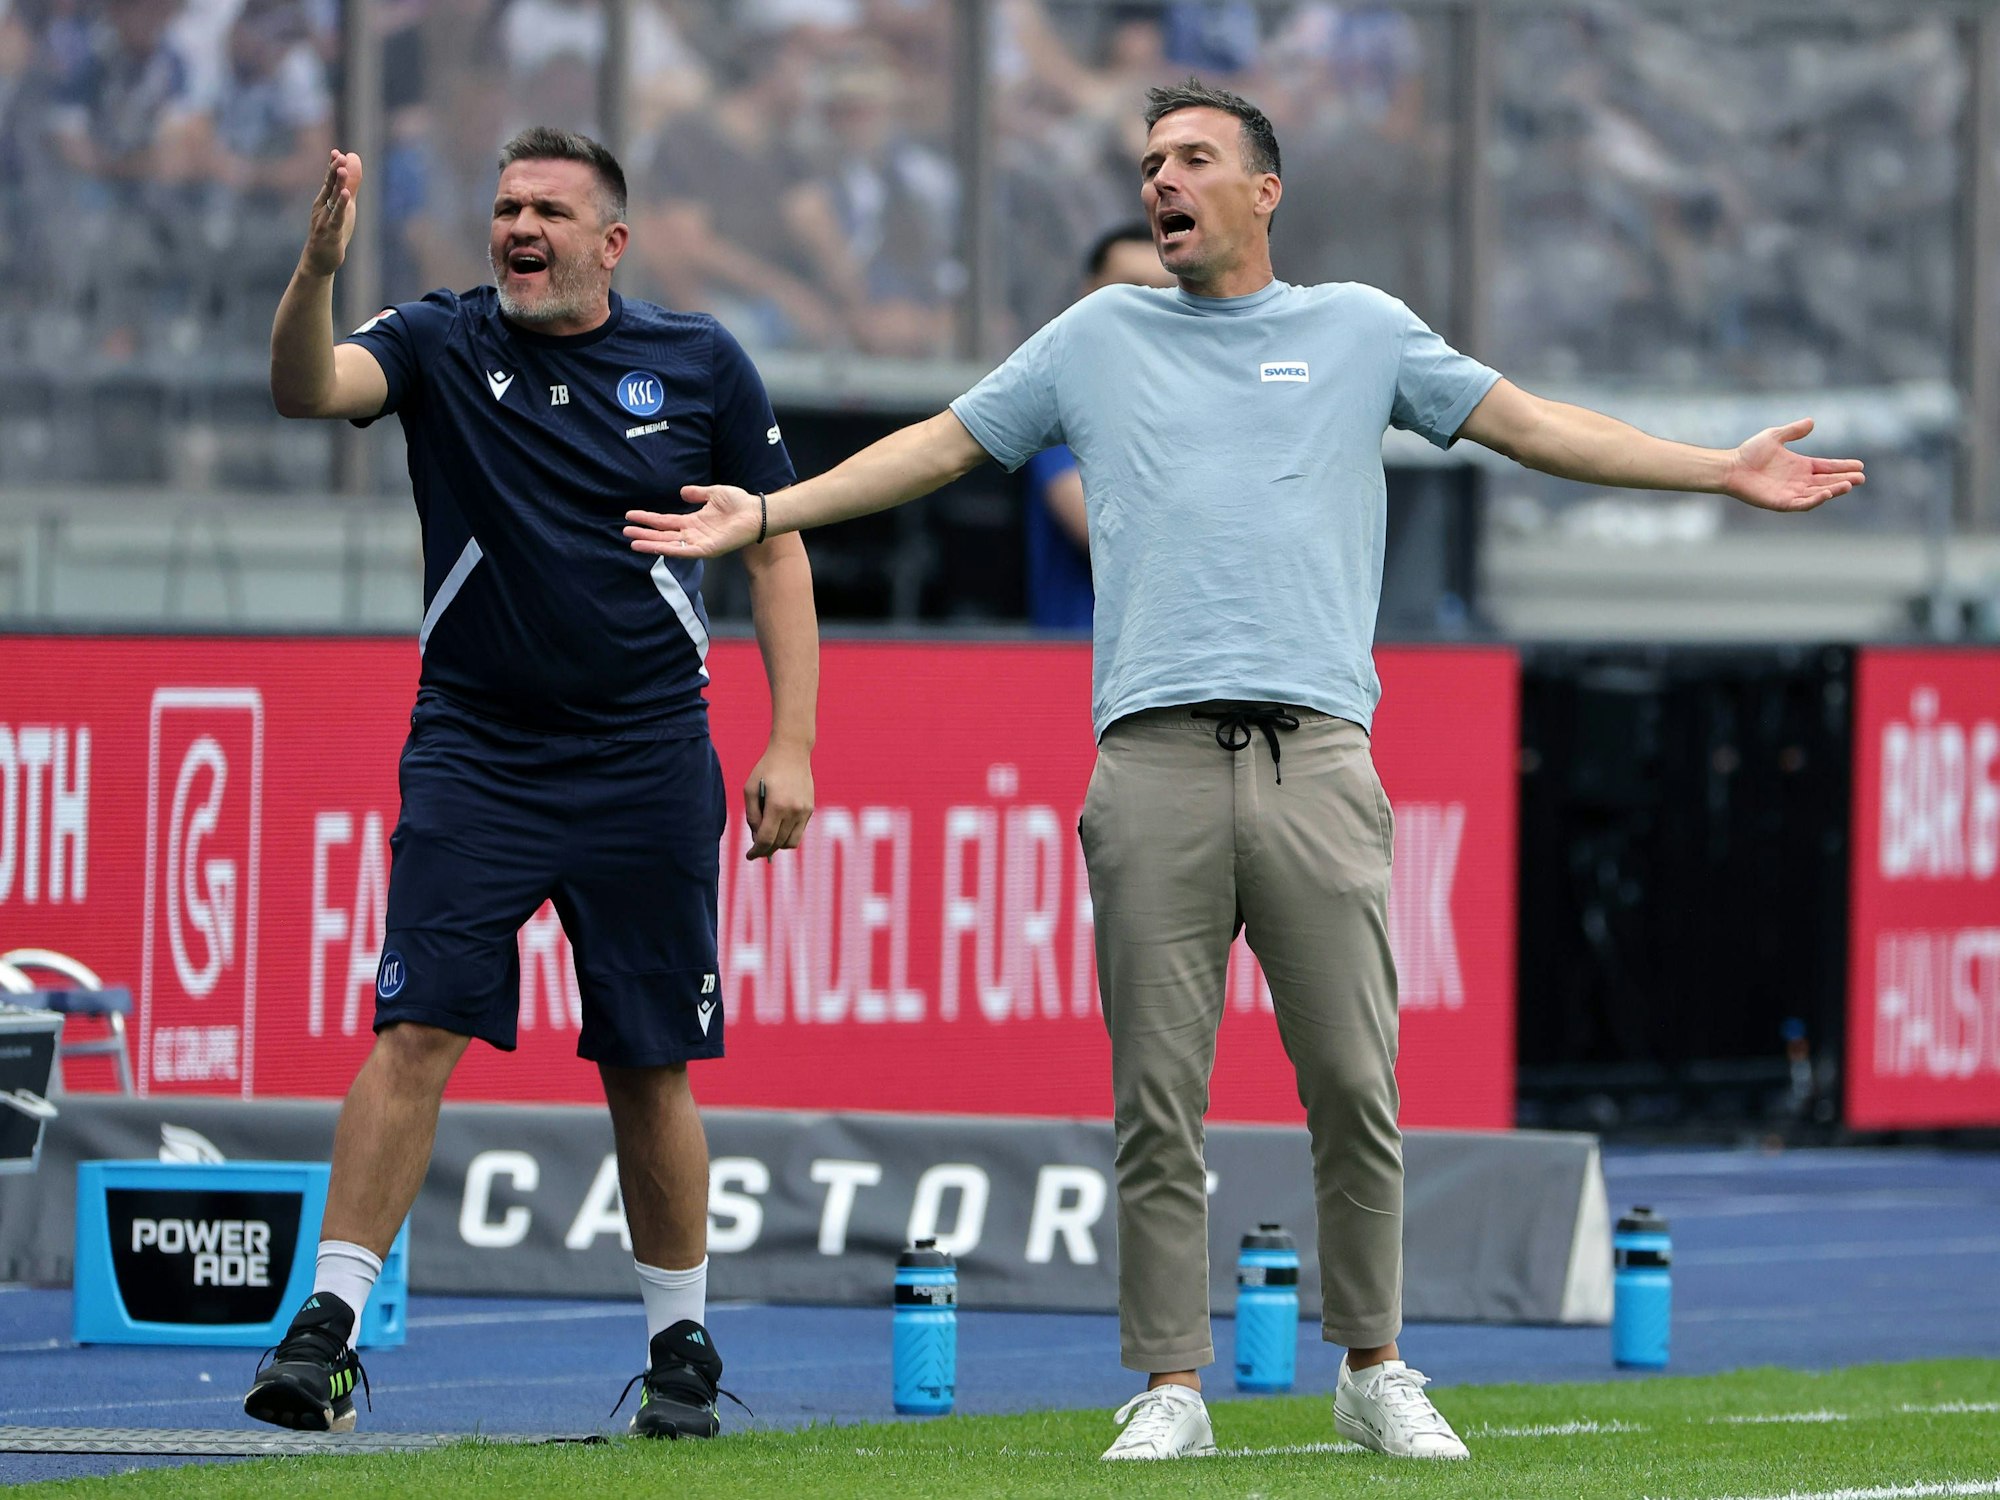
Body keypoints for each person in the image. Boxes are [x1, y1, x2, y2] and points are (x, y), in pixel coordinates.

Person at [625, 77, 1861, 1463]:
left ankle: (1373, 1367)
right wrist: (771, 506)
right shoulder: (1097, 335)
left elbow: (1535, 424)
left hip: (1320, 754)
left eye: (1194, 158)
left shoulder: (1359, 329)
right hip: (1150, 758)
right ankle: (1169, 1385)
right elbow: (943, 443)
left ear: (1263, 191)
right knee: (1159, 1096)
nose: (1164, 178)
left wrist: (1717, 471)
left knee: (1355, 1084)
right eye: (1152, 159)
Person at [245, 126, 819, 1439]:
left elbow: (777, 554)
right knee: (416, 1031)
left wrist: (792, 743)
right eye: (506, 205)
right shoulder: (444, 343)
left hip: (646, 756)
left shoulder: (701, 362)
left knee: (650, 1058)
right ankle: (323, 1335)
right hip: (478, 749)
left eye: (549, 211)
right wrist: (315, 270)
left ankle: (681, 1357)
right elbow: (303, 388)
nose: (520, 227)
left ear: (610, 243)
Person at [1024, 221, 1174, 630]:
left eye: (1164, 289)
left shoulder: (1209, 393)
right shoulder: (1061, 397)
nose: (1150, 305)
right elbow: (1106, 536)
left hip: (1195, 668)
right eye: (1130, 288)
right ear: (1088, 294)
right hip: (1079, 664)